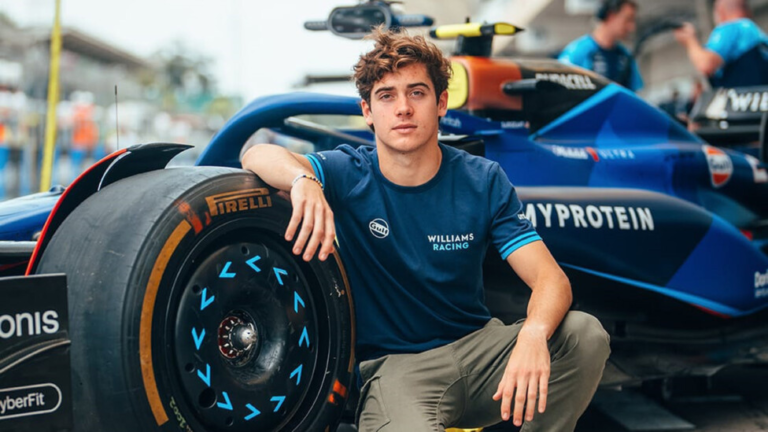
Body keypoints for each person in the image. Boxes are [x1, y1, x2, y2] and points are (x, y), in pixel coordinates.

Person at [242, 27, 610, 432]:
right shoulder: (347, 173)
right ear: (368, 111)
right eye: (387, 96)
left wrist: (534, 336)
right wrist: (303, 181)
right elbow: (256, 153)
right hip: (399, 369)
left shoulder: (482, 178)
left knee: (583, 334)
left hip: (482, 352)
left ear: (441, 103)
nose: (403, 108)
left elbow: (551, 280)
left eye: (417, 92)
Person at [674, 0, 768, 88]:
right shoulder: (755, 33)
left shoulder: (733, 28)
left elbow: (706, 64)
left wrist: (690, 40)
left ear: (721, 12)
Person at [558, 0, 643, 91]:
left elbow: (634, 94)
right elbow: (560, 89)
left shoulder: (625, 56)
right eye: (628, 20)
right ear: (611, 16)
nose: (631, 27)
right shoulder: (578, 52)